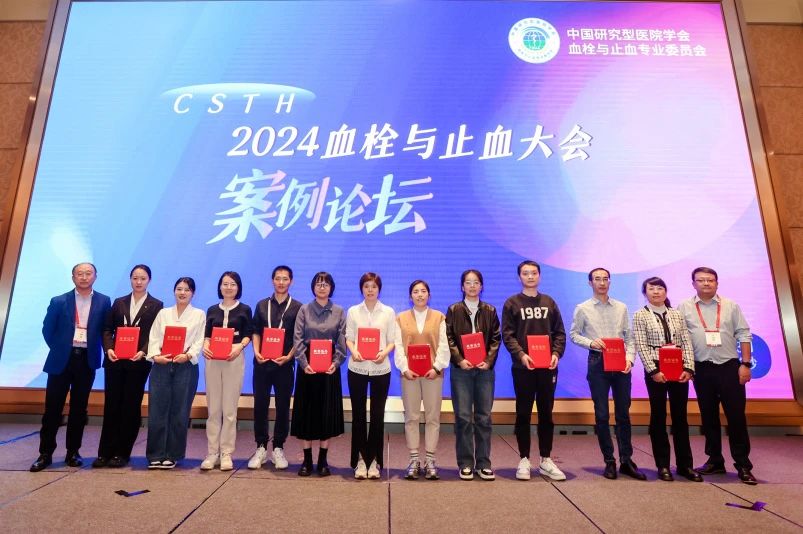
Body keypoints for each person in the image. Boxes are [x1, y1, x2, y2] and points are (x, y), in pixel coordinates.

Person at [678, 267, 756, 484]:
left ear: (717, 283)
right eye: (701, 280)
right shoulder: (684, 307)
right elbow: (680, 338)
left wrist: (745, 364)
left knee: (736, 417)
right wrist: (686, 366)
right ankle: (715, 460)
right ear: (693, 284)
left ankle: (743, 465)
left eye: (710, 280)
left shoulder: (731, 306)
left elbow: (744, 334)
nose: (706, 283)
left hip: (729, 368)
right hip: (701, 369)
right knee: (708, 416)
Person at [31, 262, 111, 472]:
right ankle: (45, 453)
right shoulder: (58, 301)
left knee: (79, 409)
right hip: (61, 360)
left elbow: (106, 329)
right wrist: (60, 348)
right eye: (79, 274)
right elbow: (48, 329)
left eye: (88, 273)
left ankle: (72, 452)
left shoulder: (104, 301)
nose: (84, 277)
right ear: (73, 277)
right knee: (52, 409)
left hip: (86, 360)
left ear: (95, 276)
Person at [569, 268, 646, 481]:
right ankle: (609, 461)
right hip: (598, 362)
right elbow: (574, 334)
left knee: (623, 414)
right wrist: (590, 342)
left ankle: (626, 461)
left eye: (605, 279)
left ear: (610, 282)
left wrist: (630, 359)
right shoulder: (582, 308)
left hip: (621, 362)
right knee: (602, 414)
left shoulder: (621, 307)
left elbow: (629, 337)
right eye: (597, 279)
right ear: (590, 283)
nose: (602, 283)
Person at [502, 260, 566, 481]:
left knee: (546, 413)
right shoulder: (512, 303)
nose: (530, 276)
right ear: (519, 277)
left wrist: (556, 354)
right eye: (525, 273)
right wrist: (521, 354)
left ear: (539, 276)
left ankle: (546, 459)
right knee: (523, 413)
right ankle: (524, 459)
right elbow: (508, 335)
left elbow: (559, 333)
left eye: (534, 273)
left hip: (547, 367)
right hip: (523, 367)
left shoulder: (549, 302)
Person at [632, 276, 701, 482]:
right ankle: (662, 465)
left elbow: (686, 341)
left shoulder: (676, 314)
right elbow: (641, 345)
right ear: (645, 293)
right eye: (651, 289)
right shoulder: (640, 315)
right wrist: (653, 371)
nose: (656, 292)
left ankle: (685, 466)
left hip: (679, 369)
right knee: (658, 416)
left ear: (666, 291)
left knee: (681, 417)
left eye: (660, 288)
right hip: (656, 370)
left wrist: (689, 368)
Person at [94, 264, 163, 468]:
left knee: (130, 407)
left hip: (138, 362)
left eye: (143, 278)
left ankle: (122, 453)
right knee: (112, 406)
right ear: (130, 279)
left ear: (149, 280)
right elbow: (107, 329)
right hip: (115, 361)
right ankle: (104, 453)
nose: (138, 282)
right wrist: (109, 349)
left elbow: (156, 334)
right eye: (135, 278)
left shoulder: (156, 305)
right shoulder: (119, 302)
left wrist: (144, 350)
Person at [445, 269, 501, 481]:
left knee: (484, 417)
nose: (472, 286)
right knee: (463, 417)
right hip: (461, 371)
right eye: (468, 282)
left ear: (481, 286)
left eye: (476, 282)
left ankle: (484, 463)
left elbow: (496, 338)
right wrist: (459, 359)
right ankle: (466, 463)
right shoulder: (454, 310)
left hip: (485, 371)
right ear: (462, 287)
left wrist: (488, 360)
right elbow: (449, 338)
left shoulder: (490, 310)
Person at [291, 272, 347, 477]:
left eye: (326, 284)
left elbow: (342, 339)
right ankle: (307, 461)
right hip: (308, 366)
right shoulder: (304, 310)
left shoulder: (339, 311)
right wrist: (303, 363)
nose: (322, 287)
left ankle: (323, 461)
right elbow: (297, 338)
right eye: (318, 284)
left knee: (326, 414)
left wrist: (336, 362)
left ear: (331, 288)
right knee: (306, 413)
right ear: (313, 287)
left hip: (329, 366)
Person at [145, 277, 205, 469]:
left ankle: (173, 454)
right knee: (157, 410)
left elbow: (199, 340)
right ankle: (155, 454)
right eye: (179, 289)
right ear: (174, 291)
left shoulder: (199, 314)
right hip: (162, 364)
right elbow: (154, 337)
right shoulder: (163, 313)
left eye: (187, 289)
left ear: (193, 293)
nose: (182, 293)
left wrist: (188, 355)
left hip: (185, 366)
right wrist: (156, 356)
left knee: (180, 411)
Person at [394, 279, 450, 480]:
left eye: (423, 291)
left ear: (429, 295)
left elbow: (444, 345)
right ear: (410, 296)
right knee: (411, 416)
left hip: (433, 374)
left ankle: (431, 460)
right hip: (409, 374)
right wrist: (404, 368)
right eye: (416, 292)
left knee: (433, 417)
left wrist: (436, 367)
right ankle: (414, 459)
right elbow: (398, 346)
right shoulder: (400, 318)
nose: (420, 295)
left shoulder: (439, 317)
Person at [248, 265, 301, 470]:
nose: (281, 282)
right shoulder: (262, 305)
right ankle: (261, 447)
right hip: (262, 364)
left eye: (285, 279)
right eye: (278, 278)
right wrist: (257, 351)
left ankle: (278, 447)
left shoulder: (297, 307)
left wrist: (289, 356)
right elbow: (256, 331)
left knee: (282, 406)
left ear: (291, 282)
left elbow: (299, 336)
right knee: (260, 405)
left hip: (284, 365)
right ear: (272, 280)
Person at [201, 271, 253, 471]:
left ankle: (226, 453)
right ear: (220, 286)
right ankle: (212, 452)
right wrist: (205, 345)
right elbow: (207, 335)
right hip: (213, 359)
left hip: (234, 358)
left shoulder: (245, 309)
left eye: (232, 284)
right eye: (225, 284)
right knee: (213, 409)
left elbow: (248, 334)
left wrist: (239, 347)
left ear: (238, 287)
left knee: (229, 410)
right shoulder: (212, 309)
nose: (228, 287)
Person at [345, 273, 396, 480]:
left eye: (374, 286)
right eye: (366, 286)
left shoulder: (388, 312)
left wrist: (384, 353)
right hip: (357, 368)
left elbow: (392, 340)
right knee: (358, 416)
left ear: (379, 289)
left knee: (377, 416)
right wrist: (354, 351)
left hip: (380, 369)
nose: (370, 290)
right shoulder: (353, 311)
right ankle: (359, 459)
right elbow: (349, 337)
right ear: (361, 289)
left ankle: (374, 460)